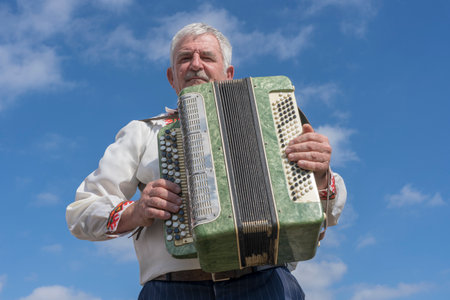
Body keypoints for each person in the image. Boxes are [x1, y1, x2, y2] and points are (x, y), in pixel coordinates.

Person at [66, 23, 347, 300]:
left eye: (207, 57)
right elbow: (81, 211)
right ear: (171, 76)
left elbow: (331, 215)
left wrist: (320, 175)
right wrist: (136, 211)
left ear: (228, 73)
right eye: (185, 58)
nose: (195, 65)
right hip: (172, 290)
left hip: (267, 282)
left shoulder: (275, 122)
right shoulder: (142, 132)